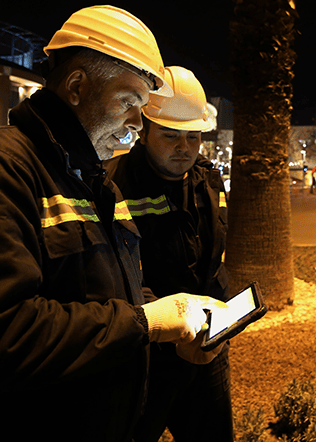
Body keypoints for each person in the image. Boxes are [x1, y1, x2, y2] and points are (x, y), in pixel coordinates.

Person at [0, 6, 225, 442]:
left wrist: (178, 319)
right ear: (77, 85)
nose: (137, 124)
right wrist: (146, 322)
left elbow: (109, 287)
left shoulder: (91, 180)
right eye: (130, 103)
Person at [103, 66, 233, 442]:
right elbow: (115, 275)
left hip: (206, 353)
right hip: (146, 357)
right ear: (143, 130)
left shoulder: (208, 181)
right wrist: (168, 324)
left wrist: (222, 318)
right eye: (171, 135)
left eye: (193, 137)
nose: (184, 148)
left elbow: (213, 260)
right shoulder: (113, 185)